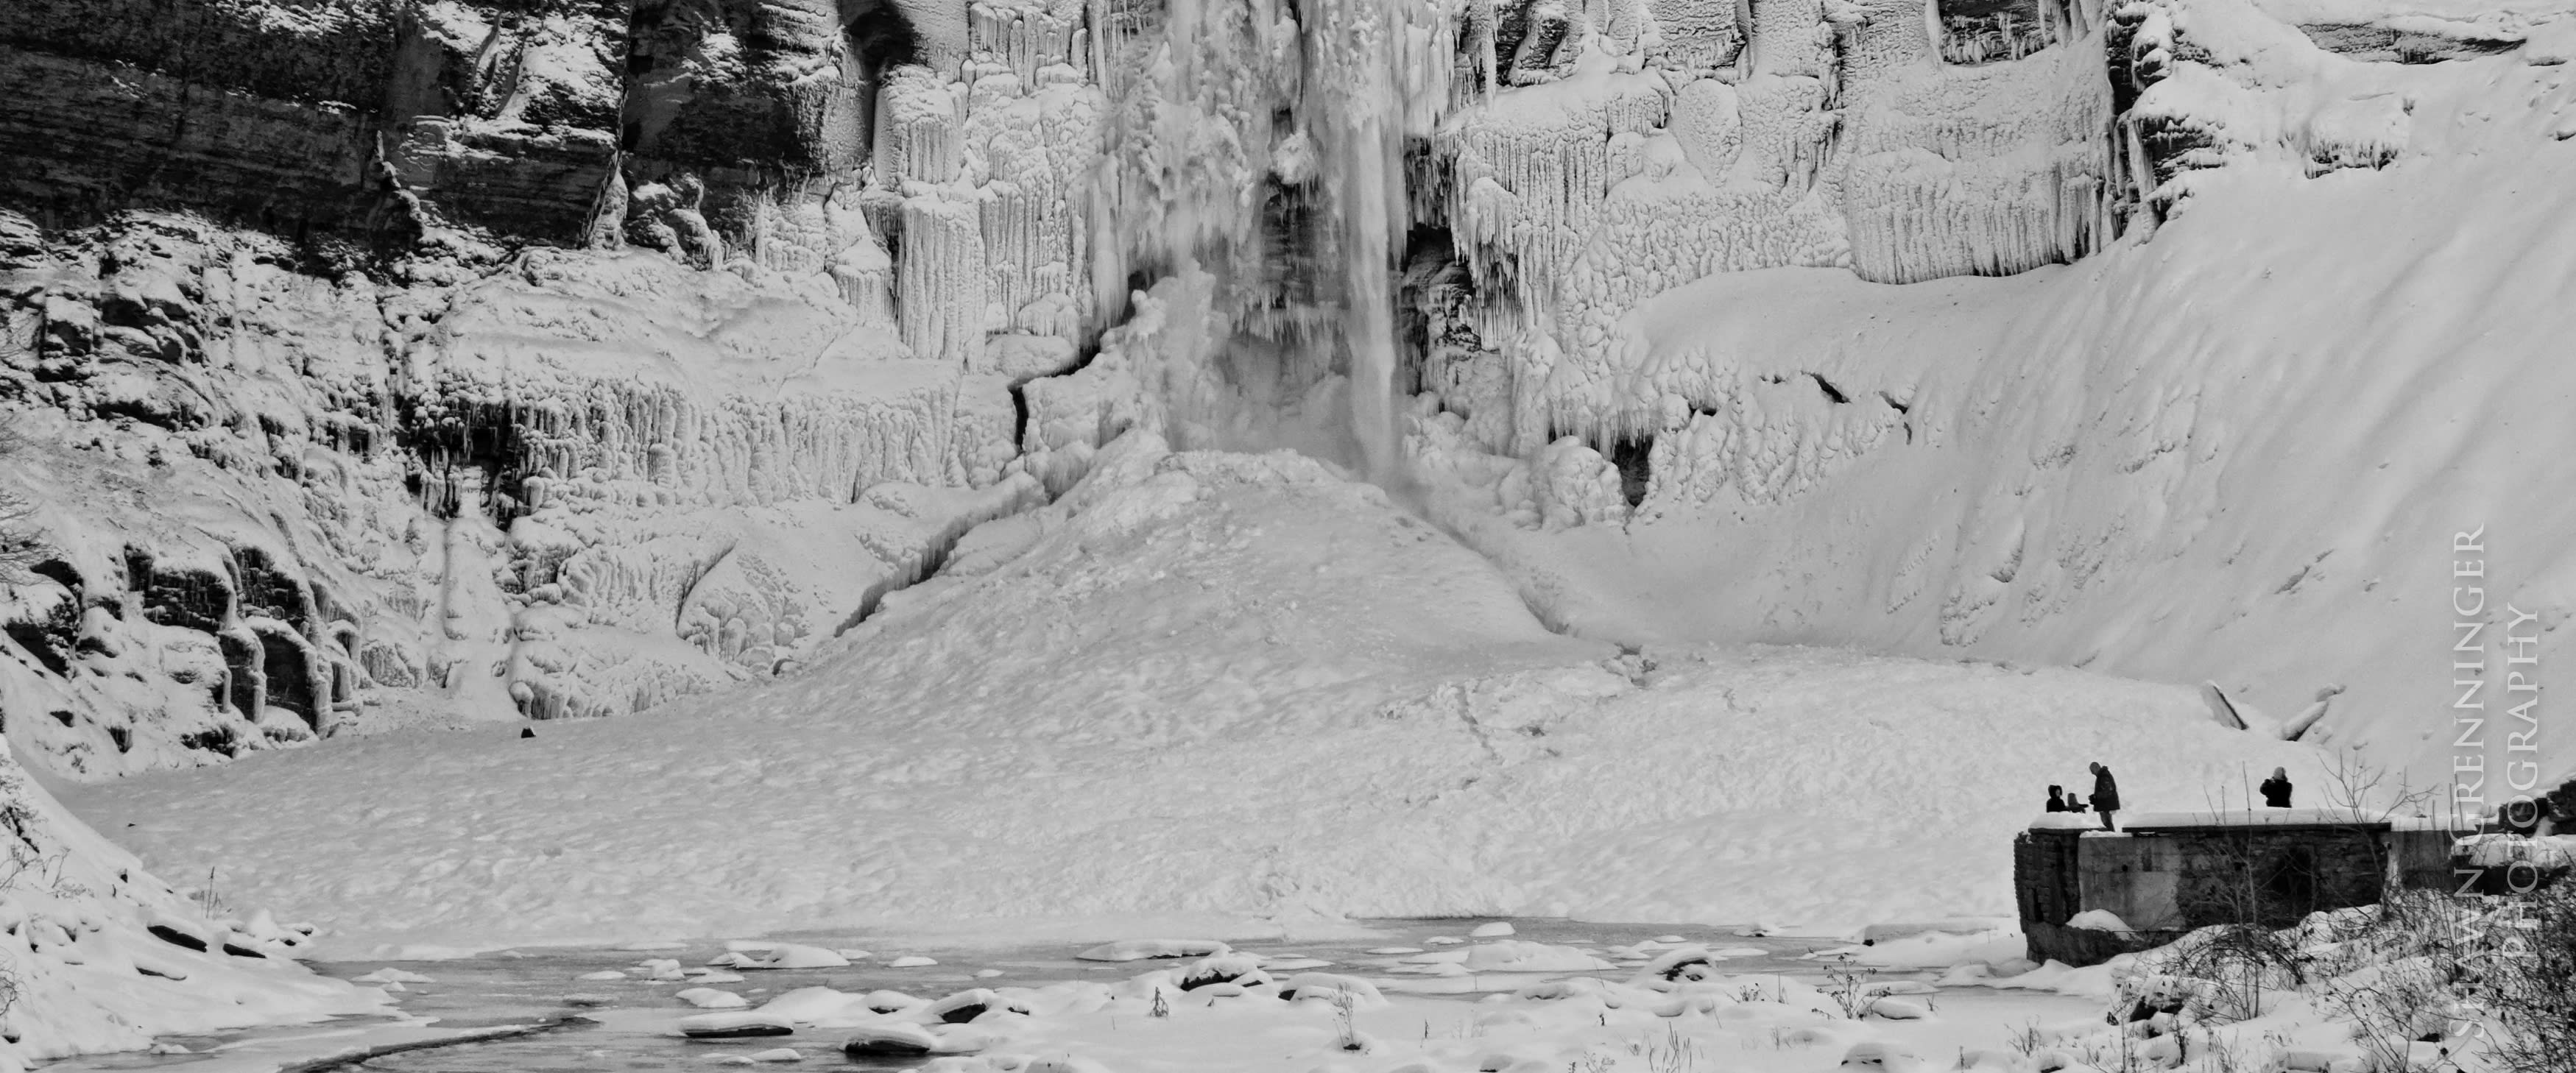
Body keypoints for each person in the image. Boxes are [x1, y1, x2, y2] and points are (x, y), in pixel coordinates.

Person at [2089, 762, 2121, 830]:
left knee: (2107, 823)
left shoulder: (2103, 776)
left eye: (2092, 770)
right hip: (2106, 805)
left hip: (2106, 805)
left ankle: (2111, 838)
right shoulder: (2103, 775)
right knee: (2107, 823)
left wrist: (2096, 797)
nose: (2092, 773)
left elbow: (2108, 791)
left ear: (2096, 768)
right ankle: (2111, 837)